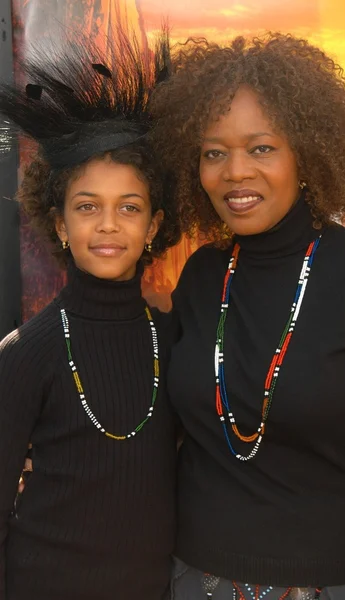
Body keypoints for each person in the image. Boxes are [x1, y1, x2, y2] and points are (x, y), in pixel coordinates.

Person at [150, 34, 345, 599]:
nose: (235, 172)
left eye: (261, 148)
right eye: (214, 152)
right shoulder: (203, 276)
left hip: (334, 585)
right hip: (193, 579)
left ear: (306, 153)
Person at [0, 29, 179, 600]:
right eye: (86, 207)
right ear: (58, 223)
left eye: (129, 208)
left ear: (152, 227)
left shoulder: (173, 339)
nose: (108, 225)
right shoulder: (30, 351)